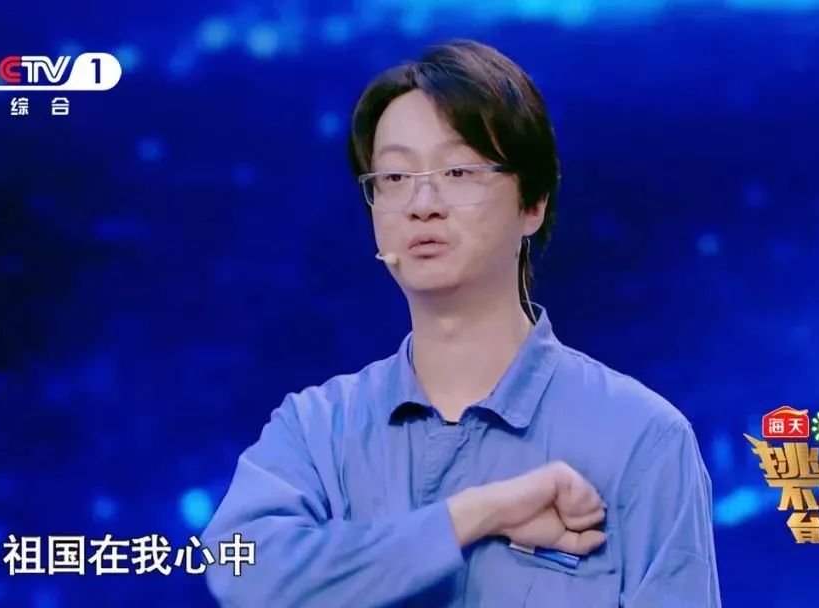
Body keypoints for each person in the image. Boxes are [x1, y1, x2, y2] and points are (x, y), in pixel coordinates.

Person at [202, 39, 721, 607]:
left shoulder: (641, 439)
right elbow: (239, 572)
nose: (422, 203)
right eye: (394, 178)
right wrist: (475, 515)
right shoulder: (317, 430)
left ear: (533, 203)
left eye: (458, 170)